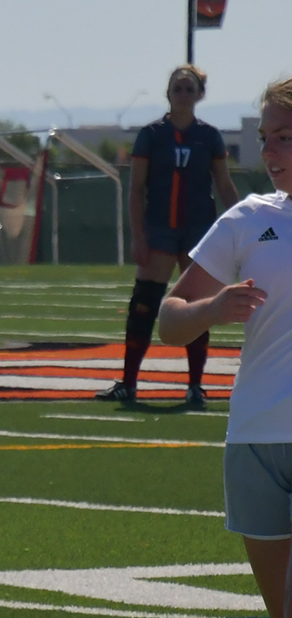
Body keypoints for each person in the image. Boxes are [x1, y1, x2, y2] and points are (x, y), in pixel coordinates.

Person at [155, 77, 292, 618]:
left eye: (283, 136)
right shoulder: (247, 219)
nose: (267, 152)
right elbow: (172, 318)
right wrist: (213, 308)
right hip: (255, 443)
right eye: (265, 136)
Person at [98, 64, 240, 407]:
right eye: (178, 87)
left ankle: (194, 385)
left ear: (200, 95)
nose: (183, 93)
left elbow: (223, 184)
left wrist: (241, 226)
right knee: (144, 305)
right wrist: (138, 235)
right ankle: (129, 383)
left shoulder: (210, 136)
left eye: (190, 88)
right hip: (159, 229)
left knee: (195, 307)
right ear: (168, 93)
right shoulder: (151, 134)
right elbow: (136, 191)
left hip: (197, 231)